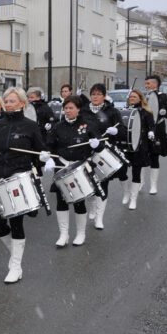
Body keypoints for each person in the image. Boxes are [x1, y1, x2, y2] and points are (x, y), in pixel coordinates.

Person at [0, 87, 48, 284]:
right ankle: (15, 254)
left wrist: (44, 159)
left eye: (12, 101)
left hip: (20, 175)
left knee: (16, 222)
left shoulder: (30, 126)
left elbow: (40, 150)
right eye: (6, 101)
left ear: (22, 103)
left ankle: (16, 266)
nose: (8, 104)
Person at [46, 96, 103, 247]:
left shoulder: (88, 125)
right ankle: (63, 234)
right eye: (66, 108)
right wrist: (48, 157)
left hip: (81, 167)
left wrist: (96, 144)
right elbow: (49, 145)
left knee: (79, 202)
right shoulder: (58, 127)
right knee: (61, 201)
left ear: (78, 109)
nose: (68, 111)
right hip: (62, 167)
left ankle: (80, 233)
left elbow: (99, 146)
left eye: (71, 108)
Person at [80, 84, 126, 230]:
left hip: (103, 153)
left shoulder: (112, 112)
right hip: (86, 152)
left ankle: (99, 217)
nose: (95, 96)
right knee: (89, 184)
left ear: (104, 96)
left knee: (102, 184)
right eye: (93, 94)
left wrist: (116, 131)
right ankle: (93, 206)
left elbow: (123, 131)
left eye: (99, 94)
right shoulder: (83, 111)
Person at [123, 90, 157, 210]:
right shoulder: (125, 110)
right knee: (122, 172)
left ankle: (133, 199)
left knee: (136, 173)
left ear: (140, 98)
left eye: (134, 96)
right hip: (126, 146)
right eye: (131, 96)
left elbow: (151, 125)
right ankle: (126, 192)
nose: (132, 98)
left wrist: (151, 132)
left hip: (139, 145)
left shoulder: (146, 112)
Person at [144, 75, 167, 194]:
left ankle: (153, 185)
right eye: (145, 83)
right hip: (144, 129)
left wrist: (164, 112)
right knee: (140, 156)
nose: (146, 86)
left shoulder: (163, 97)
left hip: (158, 129)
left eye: (148, 83)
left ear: (155, 84)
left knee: (154, 156)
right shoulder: (142, 96)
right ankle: (140, 182)